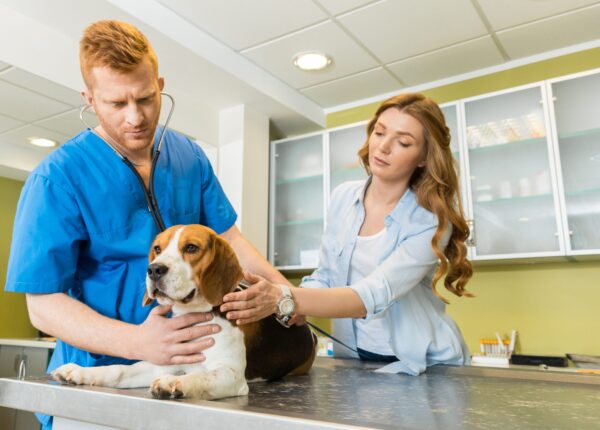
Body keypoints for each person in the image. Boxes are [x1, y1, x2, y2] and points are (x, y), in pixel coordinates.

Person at [4, 20, 292, 429]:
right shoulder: (58, 178)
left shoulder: (189, 156)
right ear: (89, 98)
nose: (136, 117)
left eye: (145, 98)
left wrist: (287, 296)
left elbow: (229, 240)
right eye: (116, 104)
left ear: (160, 84)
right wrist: (137, 341)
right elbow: (42, 305)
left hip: (187, 376)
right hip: (100, 379)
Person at [221, 93, 474, 375]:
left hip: (427, 364)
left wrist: (285, 297)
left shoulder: (430, 220)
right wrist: (290, 304)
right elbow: (326, 276)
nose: (384, 147)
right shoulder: (343, 197)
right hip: (356, 359)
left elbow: (373, 294)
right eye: (379, 132)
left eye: (403, 142)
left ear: (424, 158)